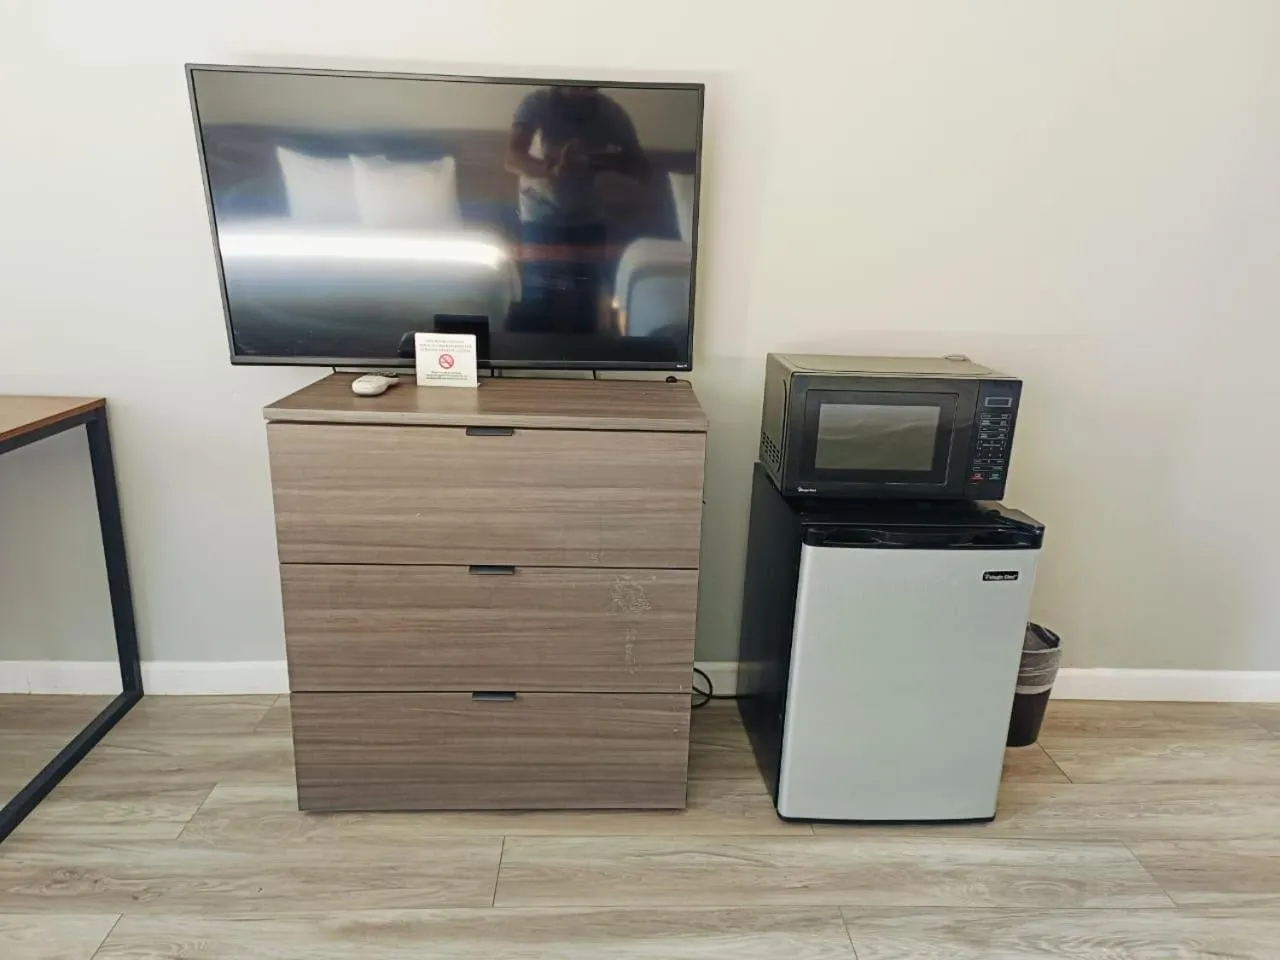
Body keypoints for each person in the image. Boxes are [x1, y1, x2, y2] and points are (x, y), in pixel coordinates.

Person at [504, 86, 649, 333]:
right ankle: (532, 364)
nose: (578, 90)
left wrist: (594, 160)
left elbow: (640, 166)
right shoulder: (536, 104)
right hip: (540, 216)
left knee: (587, 303)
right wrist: (552, 170)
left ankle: (582, 363)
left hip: (587, 218)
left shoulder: (610, 112)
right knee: (539, 300)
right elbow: (513, 159)